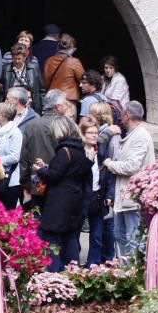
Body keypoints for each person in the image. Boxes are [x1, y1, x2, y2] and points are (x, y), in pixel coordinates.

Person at [33, 116, 91, 271]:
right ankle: (72, 272)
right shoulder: (79, 150)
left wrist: (41, 170)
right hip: (75, 199)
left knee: (52, 238)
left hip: (60, 202)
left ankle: (53, 274)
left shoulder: (64, 151)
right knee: (70, 237)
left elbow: (55, 175)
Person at [102, 101, 155, 258]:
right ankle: (127, 273)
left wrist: (110, 164)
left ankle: (134, 275)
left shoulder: (141, 136)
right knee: (120, 235)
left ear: (127, 115)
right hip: (125, 196)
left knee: (133, 239)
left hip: (133, 197)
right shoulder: (134, 135)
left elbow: (132, 166)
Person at [20, 89, 68, 211]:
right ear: (57, 107)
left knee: (37, 222)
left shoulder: (31, 125)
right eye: (65, 103)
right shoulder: (65, 126)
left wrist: (25, 183)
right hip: (60, 184)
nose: (67, 106)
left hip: (36, 182)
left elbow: (24, 157)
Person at [80, 120, 115, 266]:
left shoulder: (101, 151)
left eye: (96, 132)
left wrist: (109, 195)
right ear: (83, 134)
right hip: (81, 197)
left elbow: (108, 175)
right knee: (75, 234)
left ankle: (92, 265)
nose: (94, 135)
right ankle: (73, 264)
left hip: (97, 196)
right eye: (90, 133)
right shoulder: (79, 151)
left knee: (97, 236)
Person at [0, 101, 23, 209]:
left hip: (10, 181)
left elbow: (14, 157)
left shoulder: (15, 133)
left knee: (8, 212)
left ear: (5, 116)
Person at [43, 34, 85, 109]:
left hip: (52, 99)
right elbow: (83, 80)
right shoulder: (74, 61)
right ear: (72, 46)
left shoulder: (49, 61)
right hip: (68, 100)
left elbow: (45, 82)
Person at [0, 43, 44, 114]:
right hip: (12, 108)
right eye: (14, 59)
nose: (17, 61)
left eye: (19, 59)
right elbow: (1, 92)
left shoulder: (34, 68)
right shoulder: (6, 69)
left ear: (25, 57)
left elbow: (41, 89)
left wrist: (43, 107)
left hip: (31, 107)